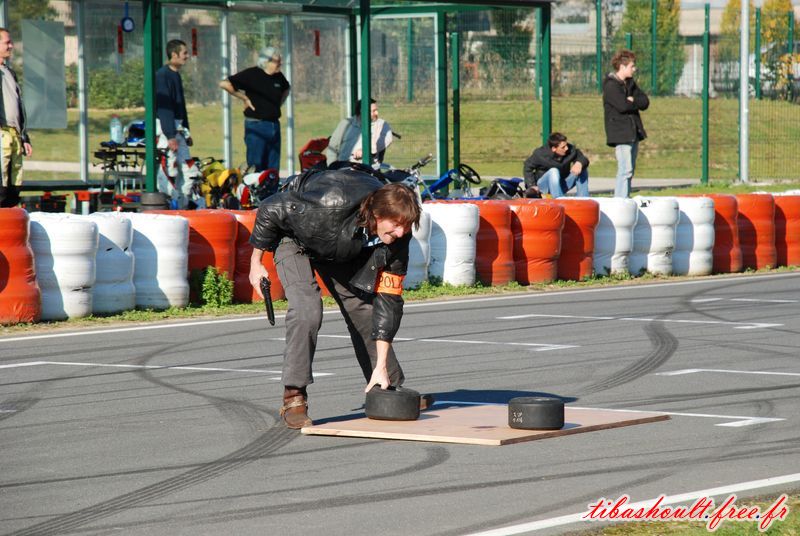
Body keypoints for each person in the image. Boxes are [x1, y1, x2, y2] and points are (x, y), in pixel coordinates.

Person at [248, 168, 421, 429]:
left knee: (364, 309)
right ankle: (294, 397)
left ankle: (387, 384)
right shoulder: (329, 203)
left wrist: (382, 364)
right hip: (295, 238)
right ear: (376, 214)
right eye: (396, 225)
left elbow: (389, 301)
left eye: (405, 227)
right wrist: (256, 262)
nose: (400, 232)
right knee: (307, 310)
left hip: (338, 245)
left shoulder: (399, 239)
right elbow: (271, 207)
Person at [219, 46, 290, 172]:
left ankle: (271, 191)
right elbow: (224, 84)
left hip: (274, 125)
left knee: (273, 167)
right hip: (256, 125)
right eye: (277, 62)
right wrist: (244, 98)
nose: (280, 65)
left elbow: (286, 89)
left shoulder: (279, 77)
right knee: (256, 165)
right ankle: (254, 190)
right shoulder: (252, 74)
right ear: (266, 61)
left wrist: (277, 104)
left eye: (280, 62)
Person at [603, 49, 649, 198]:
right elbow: (622, 106)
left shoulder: (630, 84)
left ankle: (625, 198)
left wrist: (633, 100)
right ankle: (620, 200)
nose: (634, 69)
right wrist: (630, 102)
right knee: (625, 169)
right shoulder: (611, 86)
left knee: (631, 170)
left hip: (633, 133)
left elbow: (645, 101)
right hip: (621, 134)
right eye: (632, 66)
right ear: (622, 67)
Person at [156, 39, 194, 208]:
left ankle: (184, 203)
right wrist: (170, 135)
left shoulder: (176, 75)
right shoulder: (162, 76)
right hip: (167, 129)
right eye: (184, 53)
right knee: (169, 168)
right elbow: (164, 108)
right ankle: (168, 204)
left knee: (189, 169)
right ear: (174, 55)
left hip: (178, 128)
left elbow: (180, 106)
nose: (187, 56)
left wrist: (186, 131)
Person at [0, 28, 32, 208]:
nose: (11, 46)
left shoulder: (9, 73)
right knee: (1, 179)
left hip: (14, 134)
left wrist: (24, 136)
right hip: (1, 133)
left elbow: (19, 107)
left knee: (15, 180)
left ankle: (11, 215)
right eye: (7, 43)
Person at [324, 98, 393, 165]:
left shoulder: (381, 124)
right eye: (374, 111)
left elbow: (387, 139)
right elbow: (333, 146)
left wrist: (366, 150)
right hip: (344, 167)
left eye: (376, 110)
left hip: (368, 168)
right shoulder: (346, 123)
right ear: (362, 111)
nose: (377, 113)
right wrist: (332, 166)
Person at [522, 132, 590, 198]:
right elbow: (527, 167)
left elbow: (583, 158)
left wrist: (579, 163)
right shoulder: (540, 154)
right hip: (544, 188)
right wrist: (532, 185)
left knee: (582, 168)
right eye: (563, 147)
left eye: (566, 145)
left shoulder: (570, 149)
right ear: (554, 149)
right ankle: (558, 200)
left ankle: (584, 200)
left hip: (561, 185)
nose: (566, 148)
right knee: (553, 171)